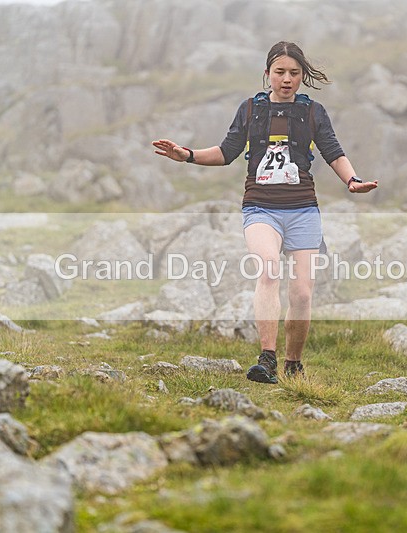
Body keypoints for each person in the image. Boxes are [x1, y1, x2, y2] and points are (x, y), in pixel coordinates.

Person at [153, 41, 378, 384]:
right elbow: (227, 151)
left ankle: (293, 363)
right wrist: (187, 154)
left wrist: (352, 180)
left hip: (303, 209)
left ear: (302, 76)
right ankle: (267, 358)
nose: (287, 79)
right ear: (267, 74)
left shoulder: (313, 112)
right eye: (280, 72)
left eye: (294, 73)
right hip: (261, 207)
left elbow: (333, 150)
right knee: (269, 269)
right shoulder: (249, 109)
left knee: (302, 292)